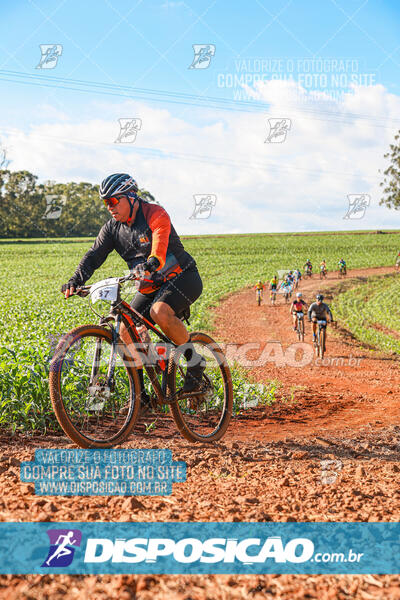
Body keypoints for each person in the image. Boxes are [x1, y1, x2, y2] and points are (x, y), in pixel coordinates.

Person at [61, 173, 204, 399]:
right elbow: (94, 256)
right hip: (149, 287)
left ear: (131, 197)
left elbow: (159, 244)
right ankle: (141, 395)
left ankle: (195, 364)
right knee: (124, 328)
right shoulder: (112, 229)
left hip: (183, 278)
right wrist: (76, 280)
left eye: (113, 201)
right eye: (105, 202)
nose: (109, 207)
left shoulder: (154, 213)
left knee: (160, 312)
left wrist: (152, 263)